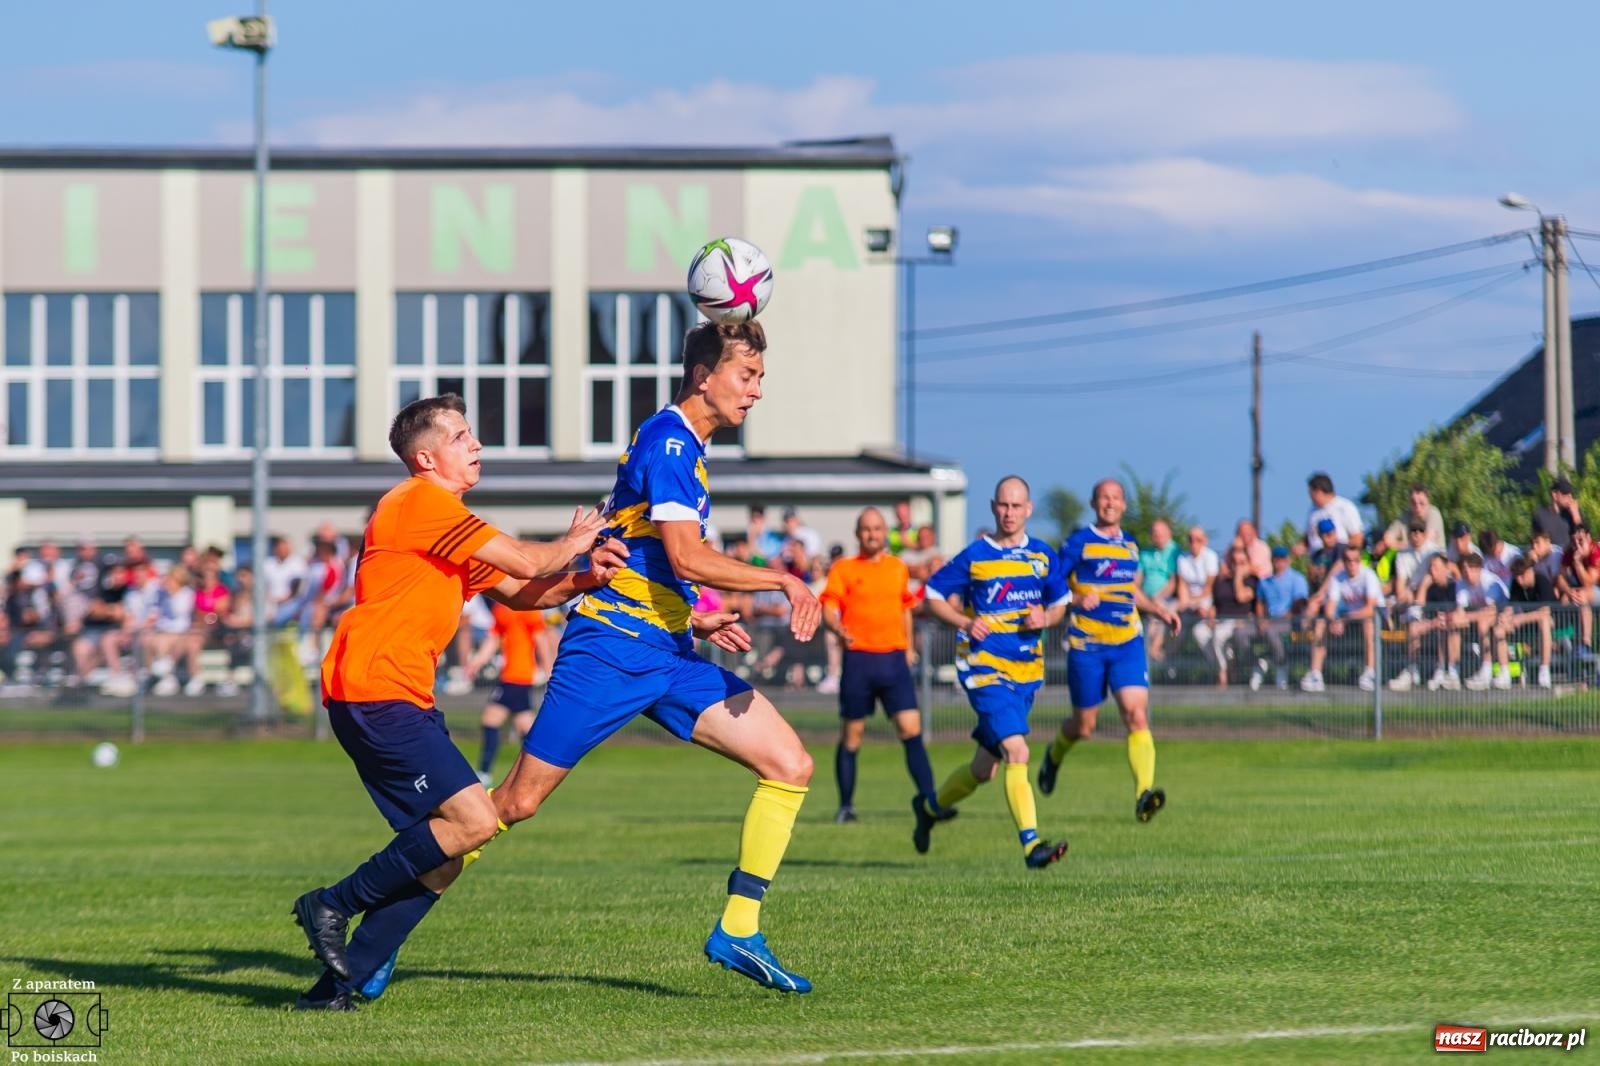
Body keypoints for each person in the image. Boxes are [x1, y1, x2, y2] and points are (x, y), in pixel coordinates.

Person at [486, 320, 824, 995]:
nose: (756, 392)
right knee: (515, 804)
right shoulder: (670, 439)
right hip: (609, 651)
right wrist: (784, 579)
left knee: (790, 764)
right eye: (747, 376)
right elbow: (686, 555)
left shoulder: (685, 449)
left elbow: (650, 556)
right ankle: (376, 912)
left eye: (759, 378)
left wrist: (699, 617)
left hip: (667, 653)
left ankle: (739, 930)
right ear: (705, 374)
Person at [289, 393, 620, 1012]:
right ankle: (332, 903)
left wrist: (585, 578)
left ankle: (337, 988)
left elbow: (521, 590)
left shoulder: (443, 521)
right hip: (374, 688)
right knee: (474, 822)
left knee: (445, 856)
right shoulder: (418, 503)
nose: (476, 446)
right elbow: (526, 557)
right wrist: (579, 538)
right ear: (425, 457)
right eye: (462, 436)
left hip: (395, 694)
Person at [921, 476, 1071, 866]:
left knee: (984, 768)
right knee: (1017, 750)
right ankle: (1031, 846)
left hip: (1025, 670)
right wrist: (964, 621)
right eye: (1003, 506)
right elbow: (932, 594)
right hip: (985, 668)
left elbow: (1060, 603)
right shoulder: (976, 554)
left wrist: (1047, 616)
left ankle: (931, 808)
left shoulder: (1042, 556)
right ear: (992, 507)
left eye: (1016, 506)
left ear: (1029, 509)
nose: (1009, 513)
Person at [1038, 478, 1182, 822]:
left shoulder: (1130, 546)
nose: (1110, 503)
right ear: (1093, 503)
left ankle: (1143, 794)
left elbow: (1131, 591)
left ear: (1124, 505)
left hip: (1127, 642)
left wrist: (1159, 609)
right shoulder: (1078, 543)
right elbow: (1050, 585)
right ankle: (1054, 756)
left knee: (1136, 714)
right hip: (1087, 645)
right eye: (1104, 497)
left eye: (1116, 498)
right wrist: (1074, 598)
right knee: (1084, 726)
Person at [819, 507, 940, 824]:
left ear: (885, 533)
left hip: (893, 660)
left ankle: (930, 801)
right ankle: (846, 806)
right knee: (852, 736)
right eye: (866, 529)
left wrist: (910, 647)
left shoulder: (897, 567)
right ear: (858, 534)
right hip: (859, 659)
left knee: (911, 730)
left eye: (877, 528)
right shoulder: (843, 569)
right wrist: (835, 628)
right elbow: (828, 608)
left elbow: (905, 609)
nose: (872, 534)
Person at [467, 599, 550, 786]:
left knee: (490, 720)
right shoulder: (501, 609)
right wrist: (477, 662)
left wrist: (548, 668)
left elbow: (540, 638)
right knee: (525, 727)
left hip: (518, 676)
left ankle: (485, 772)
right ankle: (535, 773)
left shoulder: (528, 608)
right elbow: (494, 638)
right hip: (511, 675)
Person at [1300, 544, 1384, 692]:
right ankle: (1315, 674)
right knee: (1321, 623)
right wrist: (1334, 620)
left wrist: (1344, 619)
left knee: (1368, 624)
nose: (1352, 564)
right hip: (1349, 619)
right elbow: (1330, 608)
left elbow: (1371, 609)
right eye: (1348, 560)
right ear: (1343, 562)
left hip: (1372, 618)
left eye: (1355, 560)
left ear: (1360, 561)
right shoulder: (1337, 578)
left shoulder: (1368, 576)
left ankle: (1370, 672)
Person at [1193, 541, 1257, 687]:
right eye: (1235, 562)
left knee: (1219, 635)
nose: (1238, 565)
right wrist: (1211, 616)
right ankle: (1222, 666)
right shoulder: (1222, 581)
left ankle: (1223, 673)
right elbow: (1216, 603)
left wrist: (1239, 577)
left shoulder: (1252, 581)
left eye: (1242, 562)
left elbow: (1241, 596)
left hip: (1240, 621)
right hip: (1220, 620)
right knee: (1199, 631)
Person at [1251, 546, 1308, 691]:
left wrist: (1279, 618)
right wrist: (1261, 619)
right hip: (1268, 621)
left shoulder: (1297, 579)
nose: (1279, 562)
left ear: (1288, 560)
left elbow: (1299, 604)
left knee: (1271, 631)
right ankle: (1257, 664)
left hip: (1289, 622)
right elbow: (1260, 603)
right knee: (1240, 633)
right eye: (1276, 559)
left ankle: (1281, 665)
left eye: (1282, 559)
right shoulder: (1265, 581)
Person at [1497, 556, 1555, 689]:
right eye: (1516, 576)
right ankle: (1504, 672)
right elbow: (1511, 607)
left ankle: (1544, 670)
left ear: (1530, 571)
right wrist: (1505, 617)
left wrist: (1522, 618)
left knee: (1544, 621)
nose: (1519, 580)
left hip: (1553, 625)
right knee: (1500, 628)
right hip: (1528, 626)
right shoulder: (1516, 583)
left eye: (1522, 575)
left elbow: (1545, 612)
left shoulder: (1542, 581)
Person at [1139, 518, 1180, 662]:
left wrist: (1158, 596)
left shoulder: (1175, 551)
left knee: (1163, 609)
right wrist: (1142, 598)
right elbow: (1137, 580)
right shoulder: (1144, 553)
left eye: (1161, 533)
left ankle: (1155, 649)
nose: (1158, 536)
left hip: (1164, 599)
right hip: (1146, 599)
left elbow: (1173, 582)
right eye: (1155, 533)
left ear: (1169, 533)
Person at [1304, 472, 1364, 549]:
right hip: (1318, 558)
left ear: (1318, 492)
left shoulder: (1344, 507)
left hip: (1339, 557)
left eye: (1310, 493)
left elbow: (1357, 538)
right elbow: (1308, 538)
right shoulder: (1313, 510)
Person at [1384, 483, 1446, 551]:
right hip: (1409, 559)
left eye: (1421, 503)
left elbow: (1426, 542)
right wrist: (1410, 546)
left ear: (1428, 501)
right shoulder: (1405, 516)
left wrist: (1398, 545)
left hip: (1433, 558)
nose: (1418, 507)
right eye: (1413, 503)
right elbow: (1387, 539)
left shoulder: (1433, 513)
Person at [1532, 476, 1582, 552]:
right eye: (1565, 494)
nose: (1570, 497)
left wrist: (1576, 515)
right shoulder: (1540, 515)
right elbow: (1535, 542)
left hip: (1568, 558)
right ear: (1554, 495)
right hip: (1549, 559)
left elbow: (1583, 537)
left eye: (1571, 494)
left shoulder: (1573, 512)